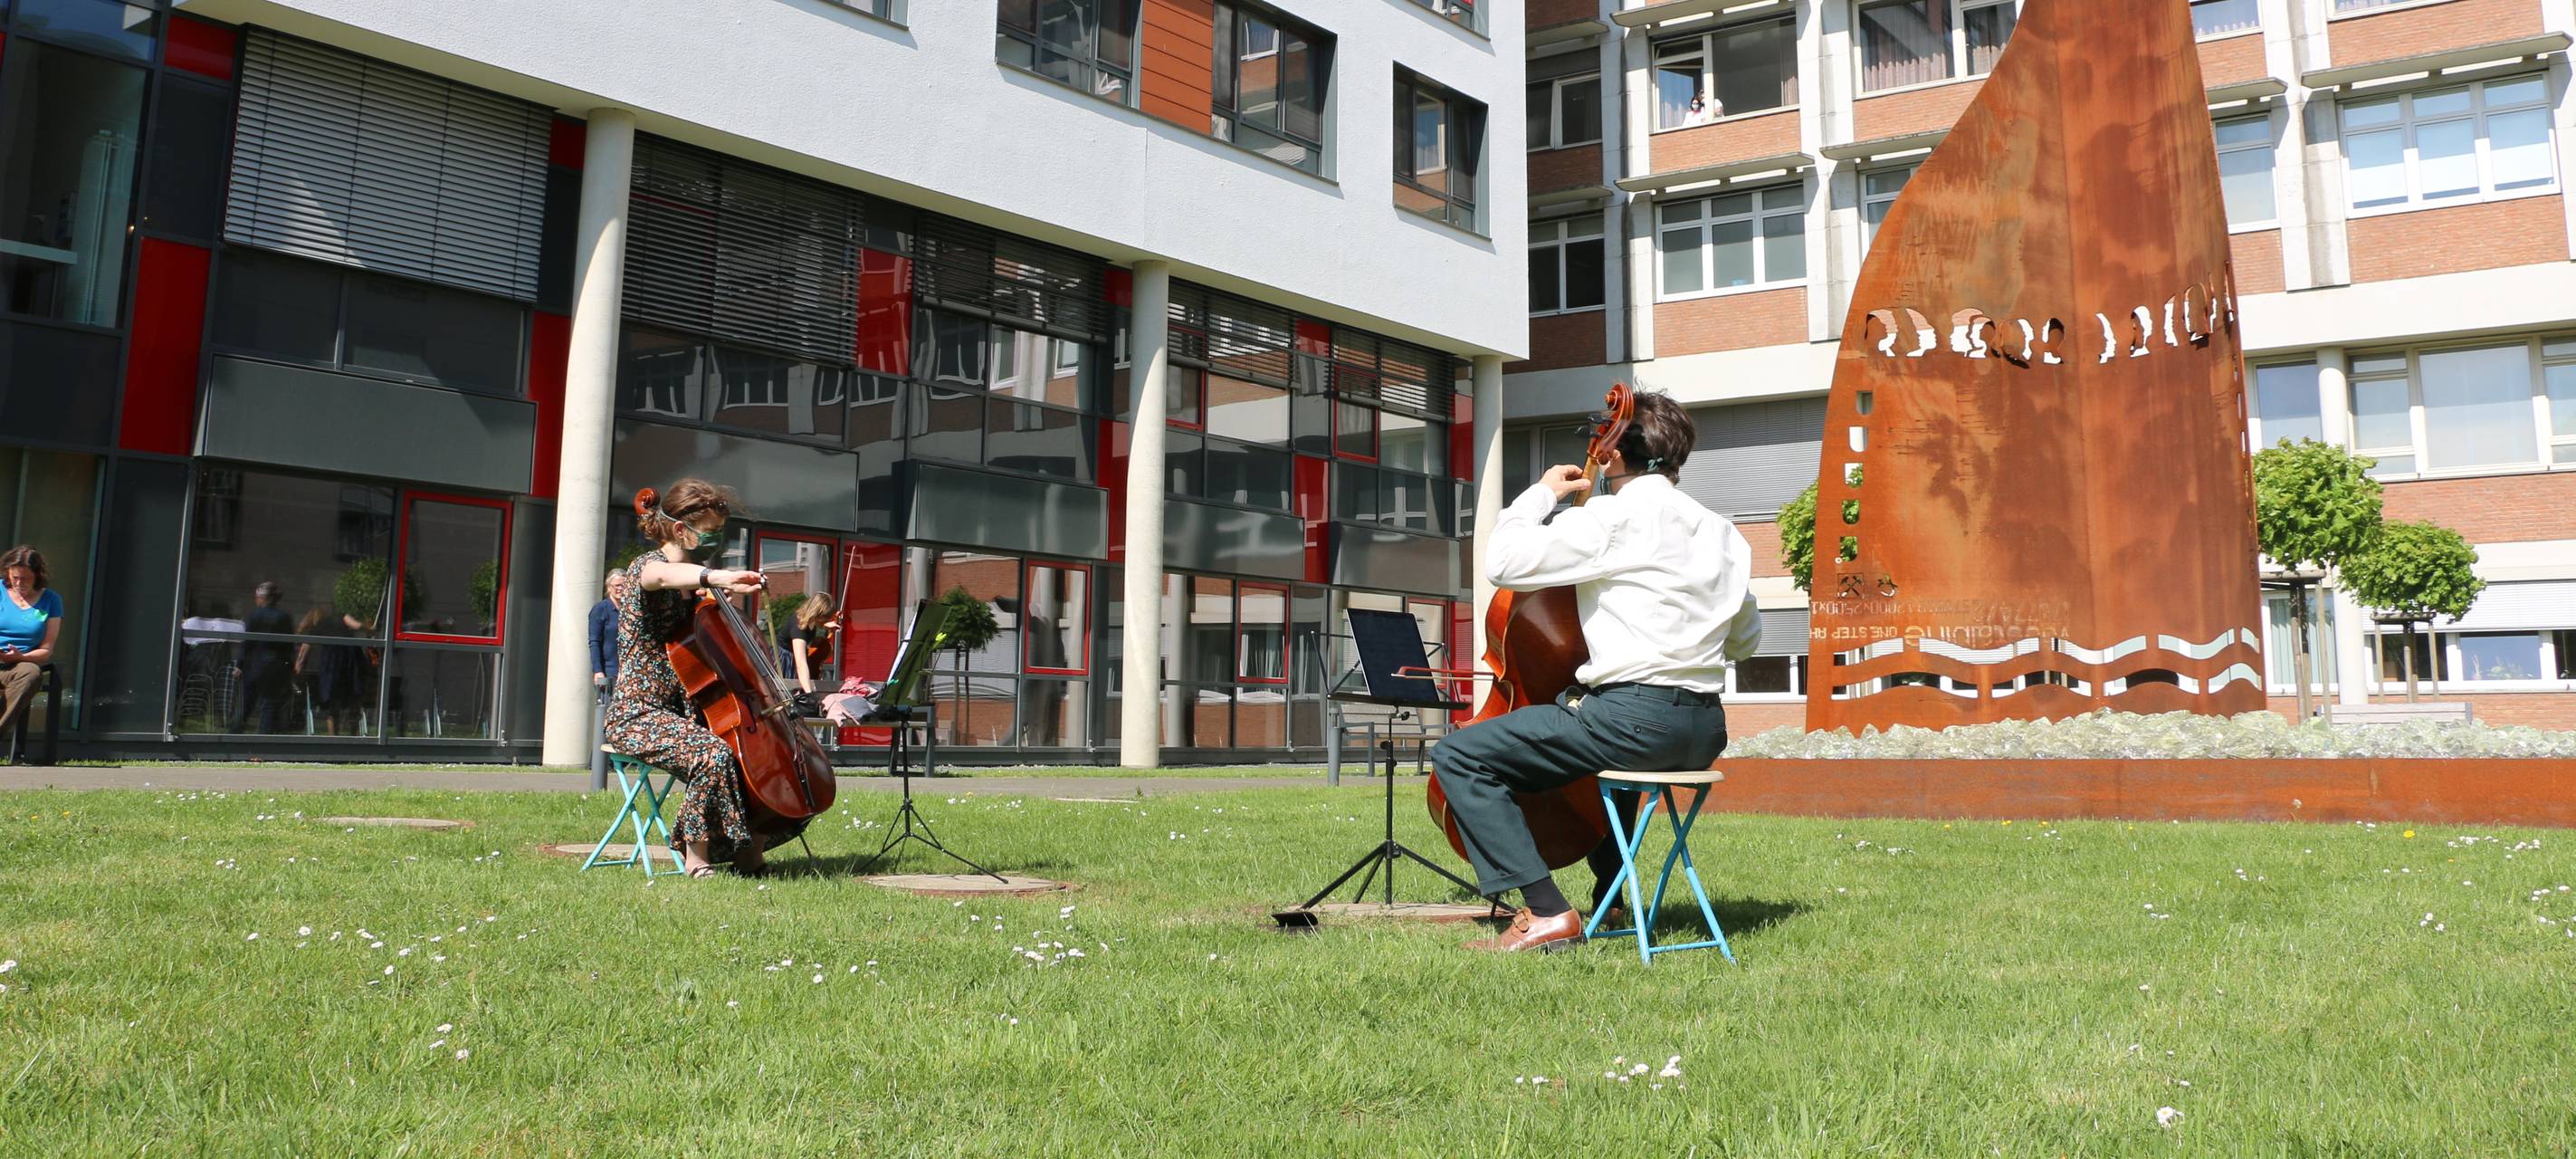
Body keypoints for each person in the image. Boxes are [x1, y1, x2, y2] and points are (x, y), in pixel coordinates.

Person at [1427, 391, 1763, 953]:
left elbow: (1504, 563)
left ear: (1610, 456)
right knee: (1595, 744)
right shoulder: (1721, 530)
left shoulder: (1613, 516)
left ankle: (1548, 913)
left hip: (1631, 720)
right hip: (1703, 731)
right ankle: (1612, 891)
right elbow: (1746, 640)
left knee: (1459, 754)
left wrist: (1544, 494)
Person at [604, 480, 796, 878]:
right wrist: (716, 577)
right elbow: (663, 576)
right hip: (638, 714)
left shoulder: (698, 593)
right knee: (713, 754)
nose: (714, 538)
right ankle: (697, 856)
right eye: (709, 530)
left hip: (686, 712)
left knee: (760, 761)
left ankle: (749, 853)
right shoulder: (648, 568)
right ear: (680, 529)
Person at [0, 546, 64, 745]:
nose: (19, 583)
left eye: (25, 579)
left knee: (30, 675)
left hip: (21, 662)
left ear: (38, 576)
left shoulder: (51, 600)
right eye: (14, 577)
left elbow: (46, 650)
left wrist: (21, 657)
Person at [236, 581, 298, 733]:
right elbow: (288, 645)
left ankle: (233, 736)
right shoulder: (284, 617)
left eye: (257, 597)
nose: (256, 600)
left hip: (254, 666)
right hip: (275, 666)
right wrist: (290, 666)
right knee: (269, 706)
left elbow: (247, 643)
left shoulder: (254, 615)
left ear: (263, 598)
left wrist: (239, 664)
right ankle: (263, 741)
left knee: (245, 705)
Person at [782, 590, 840, 710]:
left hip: (792, 658)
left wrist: (825, 625)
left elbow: (815, 622)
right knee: (789, 701)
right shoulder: (799, 630)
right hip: (785, 661)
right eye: (824, 619)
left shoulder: (808, 619)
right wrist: (809, 694)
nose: (826, 621)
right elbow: (801, 665)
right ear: (816, 614)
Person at [587, 573, 627, 694]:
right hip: (609, 672)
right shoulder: (600, 609)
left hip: (629, 673)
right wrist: (598, 670)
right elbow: (594, 642)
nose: (620, 589)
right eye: (617, 585)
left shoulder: (631, 609)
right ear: (609, 587)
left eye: (624, 585)